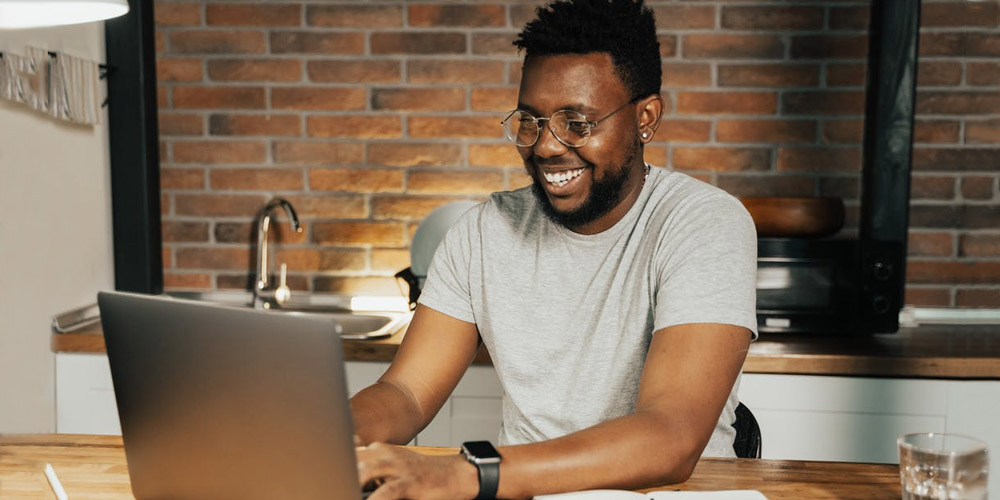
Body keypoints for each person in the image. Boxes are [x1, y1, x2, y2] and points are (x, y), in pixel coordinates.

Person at [350, 0, 758, 498]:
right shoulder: (484, 232)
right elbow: (405, 393)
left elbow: (669, 438)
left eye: (577, 124)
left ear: (646, 117)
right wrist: (324, 438)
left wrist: (465, 473)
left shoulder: (703, 223)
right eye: (532, 120)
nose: (545, 146)